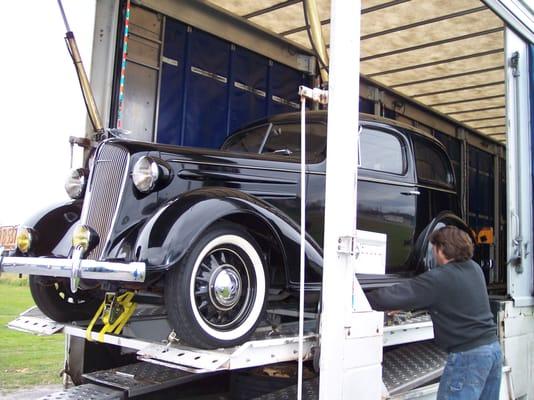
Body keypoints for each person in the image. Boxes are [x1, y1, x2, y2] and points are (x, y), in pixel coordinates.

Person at [366, 225, 502, 400]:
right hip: (492, 350)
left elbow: (393, 296)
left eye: (434, 248)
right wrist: (411, 305)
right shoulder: (474, 269)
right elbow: (452, 299)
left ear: (441, 249)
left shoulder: (439, 277)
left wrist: (359, 299)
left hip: (468, 357)